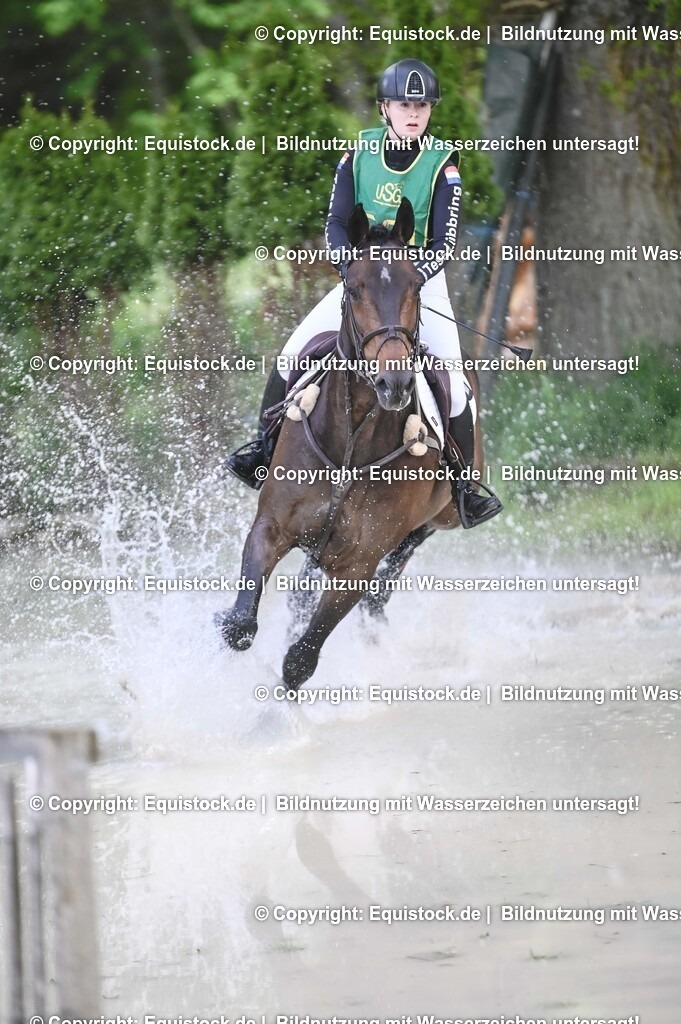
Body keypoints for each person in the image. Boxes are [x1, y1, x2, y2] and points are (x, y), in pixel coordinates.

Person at [226, 58, 502, 528]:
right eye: (403, 104)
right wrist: (349, 269)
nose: (413, 113)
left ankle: (463, 489)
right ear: (384, 108)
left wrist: (413, 277)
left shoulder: (444, 165)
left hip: (419, 286)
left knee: (455, 385)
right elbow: (335, 221)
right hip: (362, 286)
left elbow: (444, 241)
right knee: (292, 354)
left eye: (422, 105)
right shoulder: (357, 155)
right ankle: (262, 451)